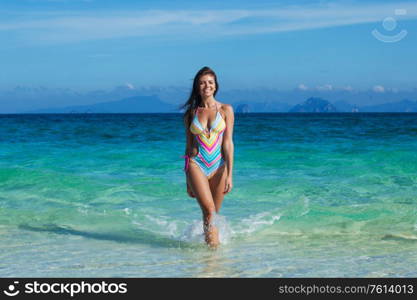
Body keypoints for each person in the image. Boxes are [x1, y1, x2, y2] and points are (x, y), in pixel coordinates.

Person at [181, 66, 234, 249]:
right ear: (197, 86)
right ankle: (213, 258)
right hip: (197, 165)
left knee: (213, 215)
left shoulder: (226, 110)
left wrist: (230, 174)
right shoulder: (191, 114)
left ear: (216, 85)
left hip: (219, 167)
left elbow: (228, 143)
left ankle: (210, 255)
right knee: (210, 211)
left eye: (210, 82)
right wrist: (187, 180)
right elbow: (189, 147)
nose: (207, 86)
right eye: (202, 83)